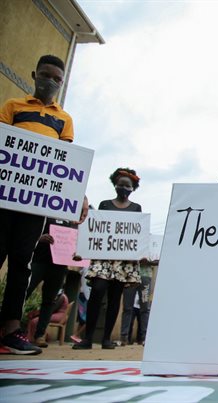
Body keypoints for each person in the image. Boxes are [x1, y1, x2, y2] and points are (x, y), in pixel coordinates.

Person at [0, 55, 86, 355]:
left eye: (57, 79)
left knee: (21, 264)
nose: (50, 82)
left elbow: (64, 162)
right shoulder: (13, 107)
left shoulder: (64, 120)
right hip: (4, 199)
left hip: (33, 208)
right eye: (46, 75)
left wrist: (78, 196)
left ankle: (11, 330)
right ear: (34, 74)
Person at [73, 168, 143, 350]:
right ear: (115, 185)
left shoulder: (137, 209)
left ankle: (106, 339)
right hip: (103, 258)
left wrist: (141, 252)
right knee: (97, 291)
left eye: (127, 185)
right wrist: (83, 249)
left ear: (133, 188)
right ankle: (88, 337)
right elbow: (95, 228)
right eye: (120, 184)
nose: (123, 187)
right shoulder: (104, 205)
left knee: (115, 298)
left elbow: (138, 233)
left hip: (123, 260)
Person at [24, 219, 73, 347]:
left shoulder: (72, 222)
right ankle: (8, 329)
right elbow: (27, 232)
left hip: (59, 265)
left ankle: (40, 335)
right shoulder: (44, 214)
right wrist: (39, 238)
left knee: (49, 301)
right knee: (24, 292)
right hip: (38, 261)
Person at [120, 263, 152, 346]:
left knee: (145, 309)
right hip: (129, 273)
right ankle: (124, 337)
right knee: (127, 308)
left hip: (145, 274)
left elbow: (157, 258)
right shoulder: (85, 263)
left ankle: (145, 338)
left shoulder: (152, 249)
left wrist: (148, 260)